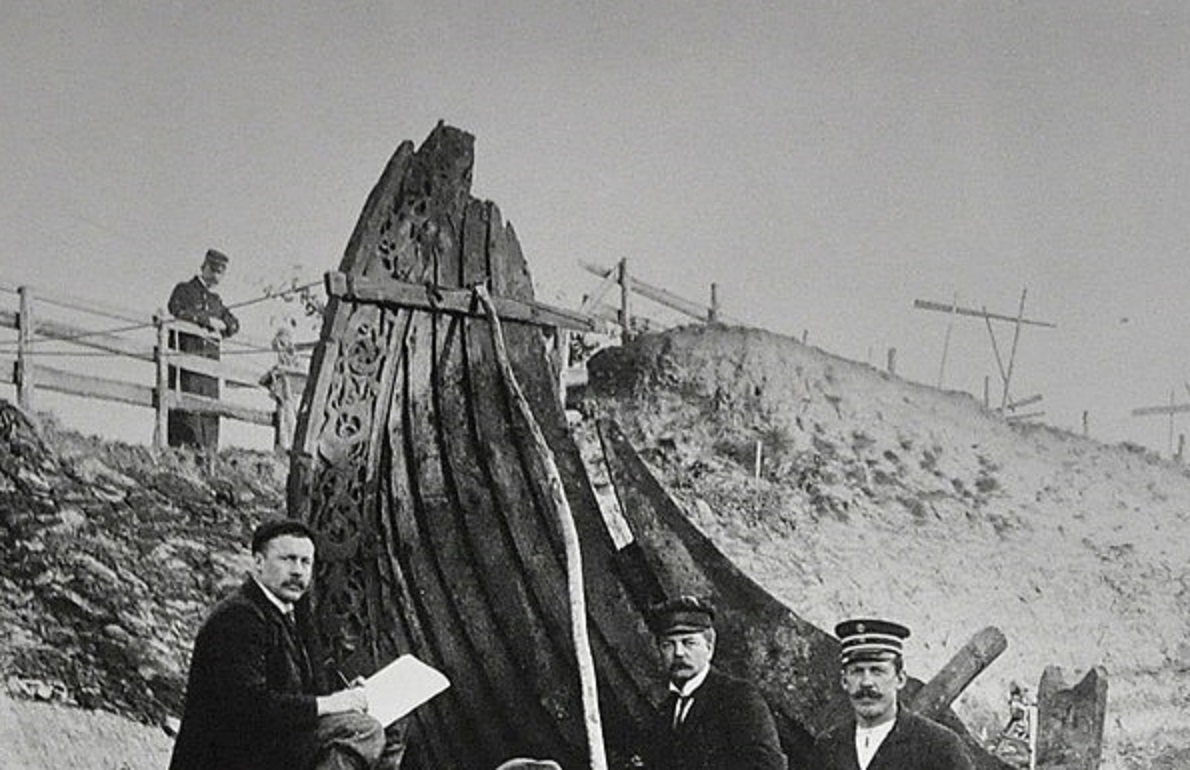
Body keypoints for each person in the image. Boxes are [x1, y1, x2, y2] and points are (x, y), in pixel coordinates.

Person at [168, 518, 406, 770]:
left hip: (270, 745)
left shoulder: (286, 612)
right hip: (230, 756)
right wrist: (332, 704)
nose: (297, 571)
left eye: (306, 562)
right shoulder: (238, 617)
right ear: (259, 562)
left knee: (391, 724)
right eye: (287, 559)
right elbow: (247, 707)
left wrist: (345, 694)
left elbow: (292, 689)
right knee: (362, 731)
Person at [640, 595, 787, 770]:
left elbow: (768, 766)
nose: (678, 653)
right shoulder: (666, 711)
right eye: (668, 645)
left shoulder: (738, 697)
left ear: (709, 647)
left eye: (689, 643)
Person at [814, 618, 974, 770]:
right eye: (856, 671)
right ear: (844, 681)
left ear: (900, 679)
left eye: (877, 671)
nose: (866, 682)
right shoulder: (828, 747)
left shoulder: (940, 746)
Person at [166, 248, 240, 452]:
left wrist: (223, 325)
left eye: (221, 272)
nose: (217, 275)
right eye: (214, 269)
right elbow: (176, 309)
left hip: (210, 370)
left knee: (209, 412)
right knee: (187, 412)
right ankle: (183, 453)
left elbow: (233, 324)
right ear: (204, 267)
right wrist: (206, 321)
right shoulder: (184, 290)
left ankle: (209, 454)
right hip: (188, 363)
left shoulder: (216, 302)